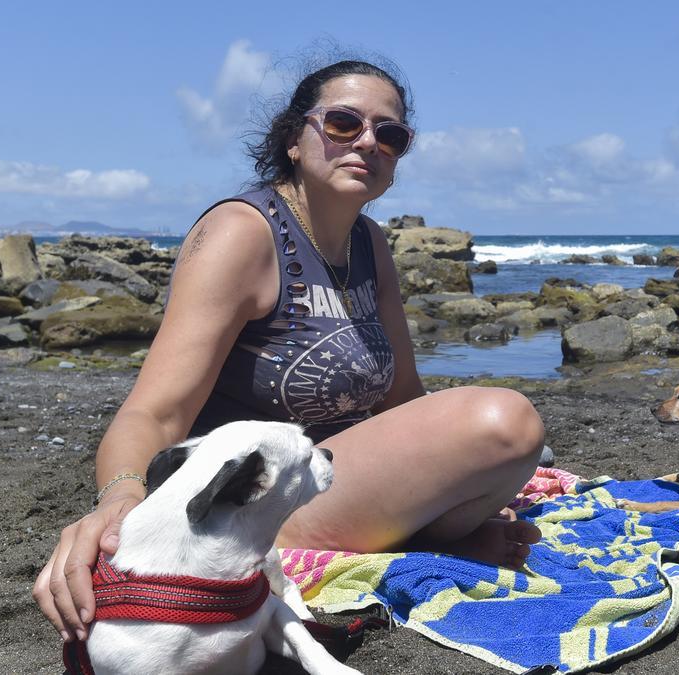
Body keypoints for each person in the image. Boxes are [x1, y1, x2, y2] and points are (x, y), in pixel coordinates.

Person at [32, 58, 545, 644]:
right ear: (294, 141)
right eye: (344, 123)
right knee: (504, 422)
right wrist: (121, 498)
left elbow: (404, 401)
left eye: (391, 134)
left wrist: (449, 479)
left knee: (500, 450)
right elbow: (154, 411)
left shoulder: (370, 244)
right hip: (249, 492)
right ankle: (371, 544)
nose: (369, 142)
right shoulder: (243, 232)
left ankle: (413, 536)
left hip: (330, 475)